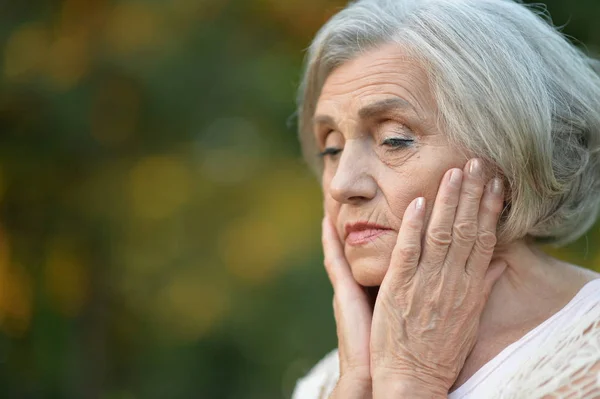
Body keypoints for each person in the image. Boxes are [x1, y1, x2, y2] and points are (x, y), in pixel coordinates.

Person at [291, 0, 600, 398]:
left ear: (507, 152)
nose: (341, 184)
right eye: (332, 149)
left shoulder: (584, 361)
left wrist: (410, 382)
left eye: (394, 140)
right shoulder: (325, 383)